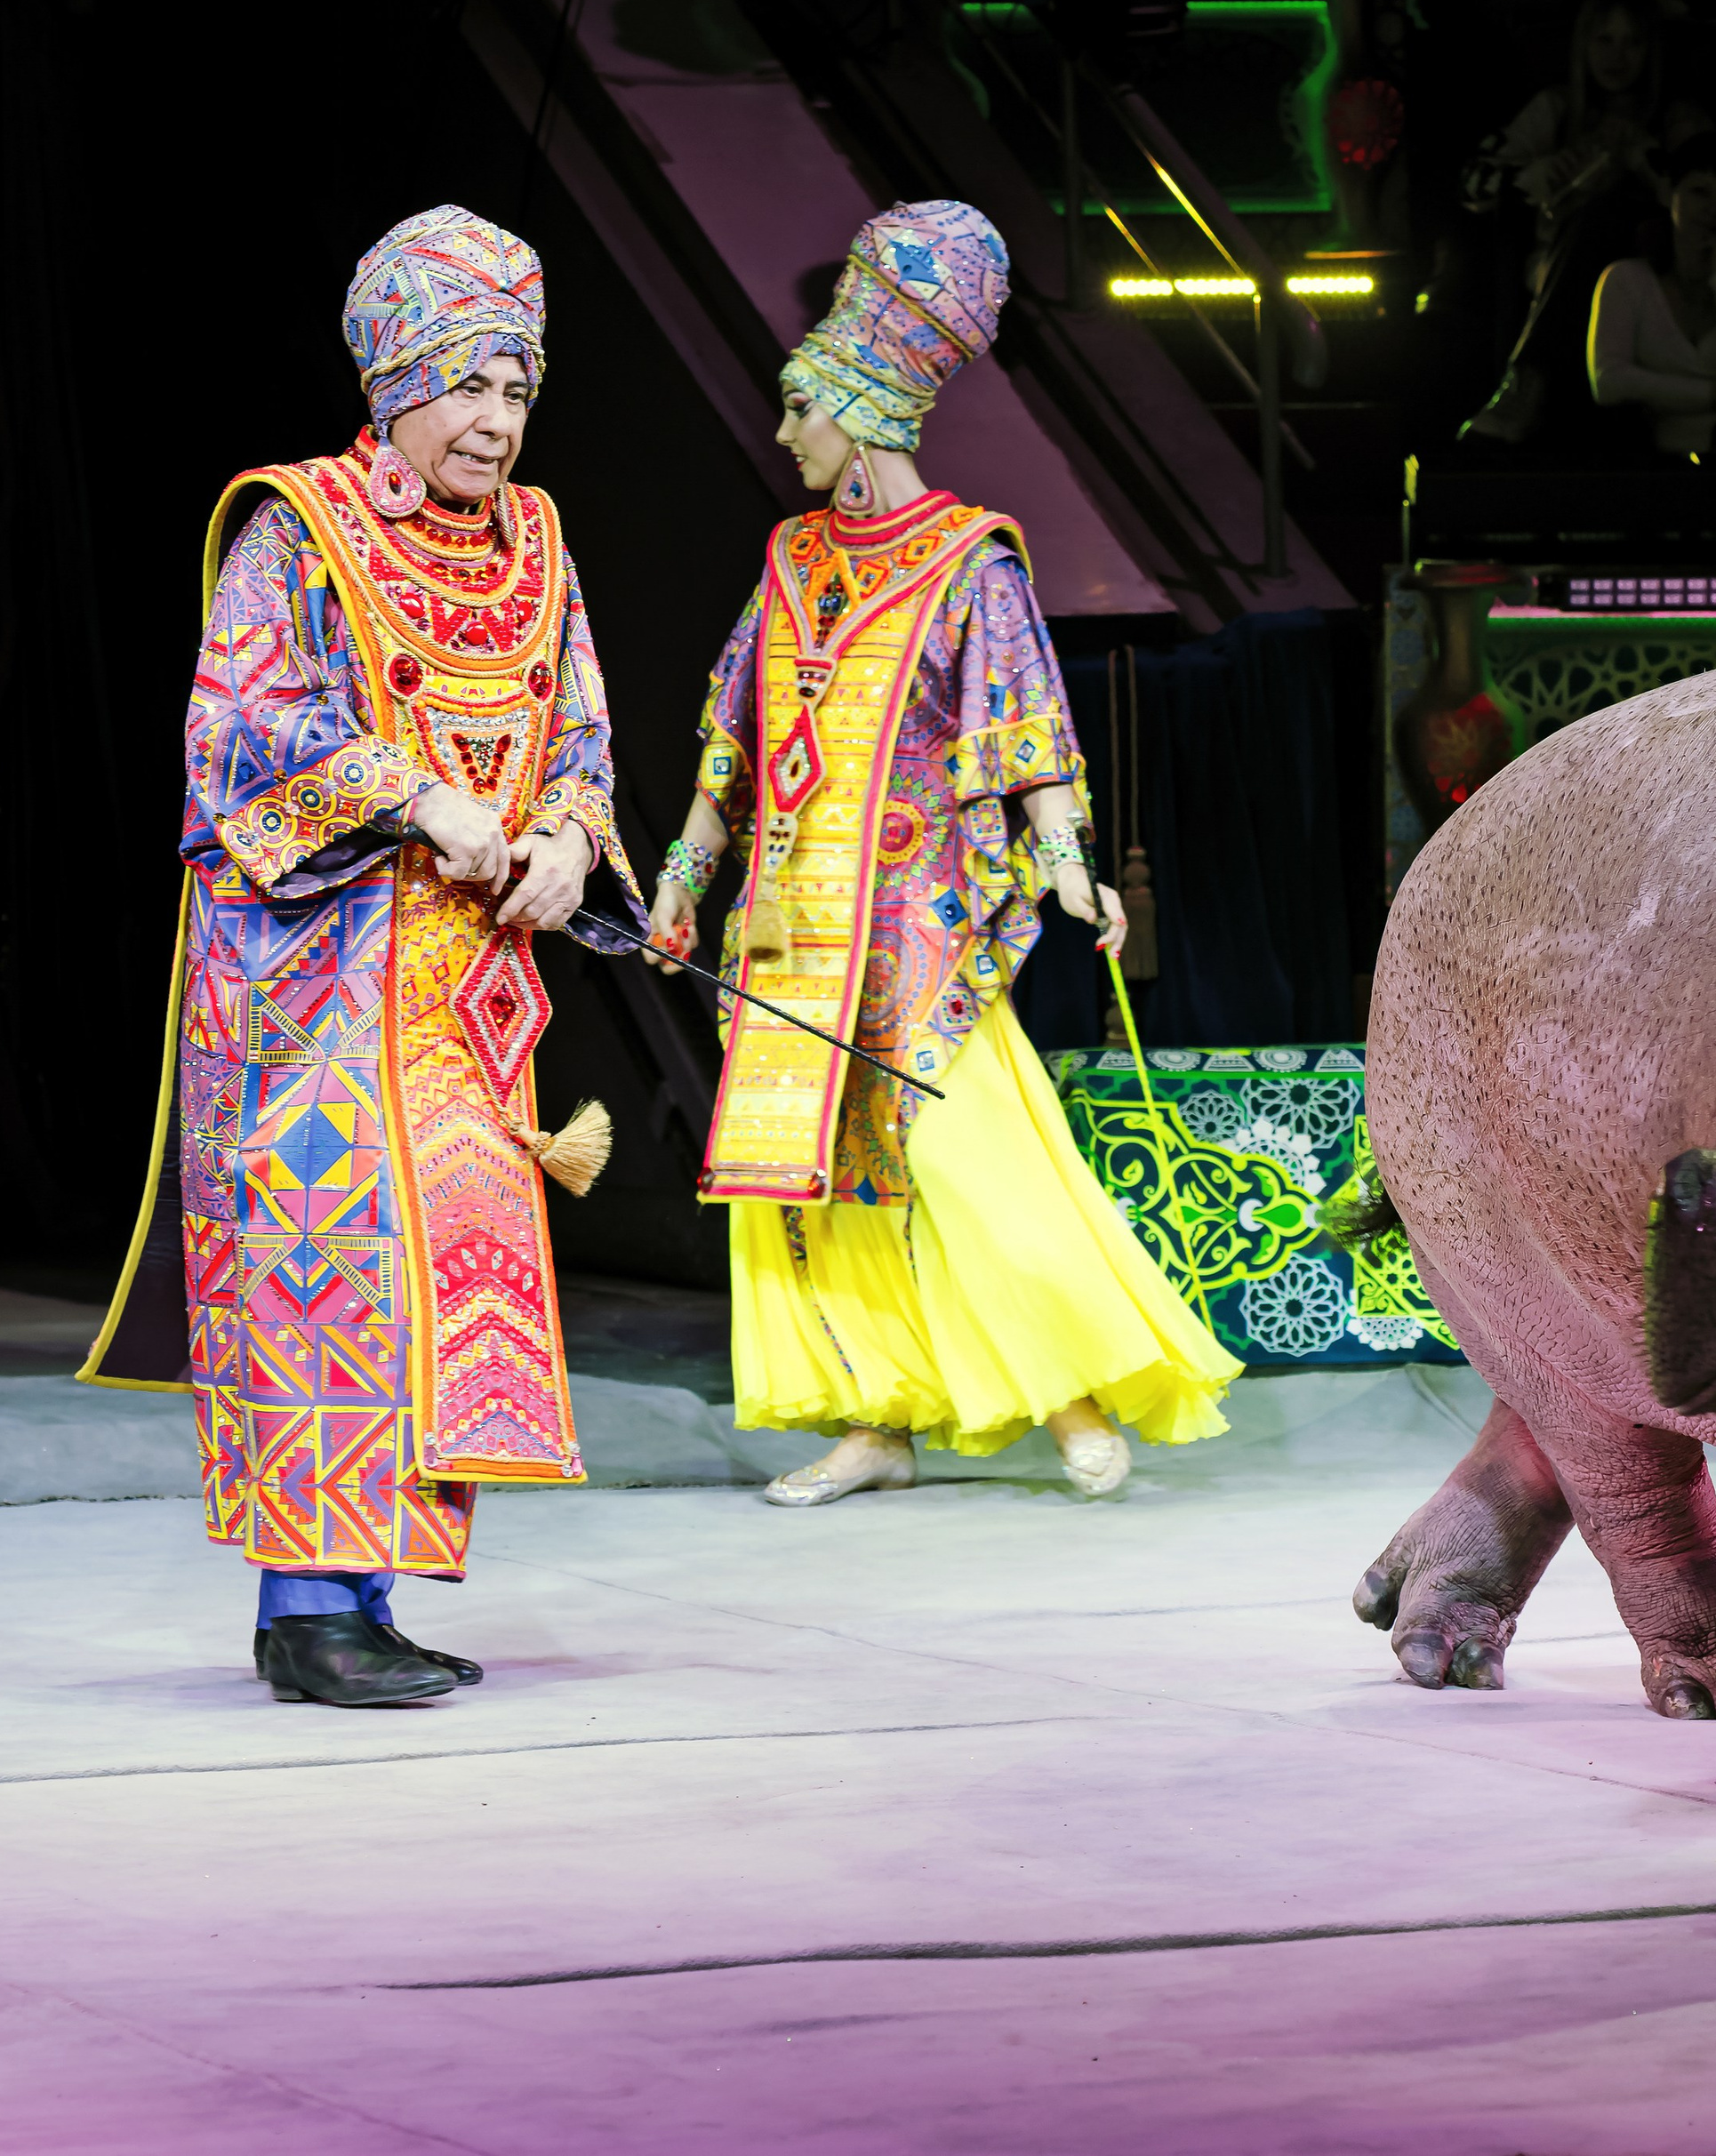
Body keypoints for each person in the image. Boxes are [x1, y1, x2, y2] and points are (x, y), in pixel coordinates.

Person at [79, 206, 646, 1705]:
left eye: (518, 388)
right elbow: (248, 729)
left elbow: (581, 724)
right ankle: (304, 1605)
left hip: (461, 999)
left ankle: (369, 1595)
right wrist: (423, 798)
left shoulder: (536, 541)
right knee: (329, 1279)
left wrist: (572, 839)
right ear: (397, 379)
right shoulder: (300, 525)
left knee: (438, 1290)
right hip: (310, 995)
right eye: (469, 383)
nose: (497, 419)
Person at [643, 202, 1239, 1508]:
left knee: (970, 1162)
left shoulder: (970, 562)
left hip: (917, 920)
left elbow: (1025, 737)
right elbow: (729, 738)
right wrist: (686, 881)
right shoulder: (791, 560)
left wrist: (1069, 865)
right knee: (812, 1184)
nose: (786, 431)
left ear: (859, 412)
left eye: (803, 406)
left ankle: (1072, 1389)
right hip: (794, 921)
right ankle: (876, 1418)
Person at [1460, 0, 1712, 445]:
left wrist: (1642, 157)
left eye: (1632, 43)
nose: (1617, 57)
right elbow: (1473, 181)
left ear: (1652, 50)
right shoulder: (1556, 108)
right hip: (1553, 266)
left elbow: (1710, 194)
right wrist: (1536, 175)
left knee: (1605, 217)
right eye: (1604, 40)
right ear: (1583, 43)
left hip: (1648, 274)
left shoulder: (1677, 117)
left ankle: (1527, 384)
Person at [1585, 132, 1716, 460]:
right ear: (1668, 193)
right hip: (1657, 463)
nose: (1713, 210)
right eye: (1699, 191)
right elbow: (1608, 381)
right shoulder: (1627, 280)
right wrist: (1714, 395)